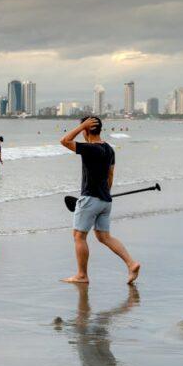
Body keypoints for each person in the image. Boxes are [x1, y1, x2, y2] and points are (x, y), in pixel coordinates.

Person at [60, 116, 141, 284]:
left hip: (90, 199)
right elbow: (110, 176)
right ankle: (131, 263)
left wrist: (82, 125)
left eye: (83, 129)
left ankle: (82, 275)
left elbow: (64, 140)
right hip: (105, 200)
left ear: (86, 130)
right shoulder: (109, 149)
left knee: (79, 236)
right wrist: (105, 194)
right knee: (104, 237)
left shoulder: (91, 148)